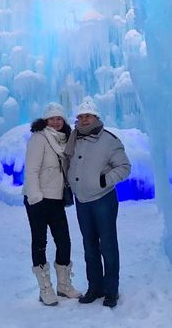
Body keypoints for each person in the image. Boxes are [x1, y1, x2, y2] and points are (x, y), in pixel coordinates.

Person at [65, 97, 131, 308]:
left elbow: (124, 167)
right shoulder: (74, 138)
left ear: (96, 117)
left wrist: (104, 180)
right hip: (82, 201)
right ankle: (95, 287)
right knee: (89, 245)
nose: (84, 120)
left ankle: (111, 291)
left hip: (103, 200)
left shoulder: (109, 140)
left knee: (108, 245)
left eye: (88, 116)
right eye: (81, 116)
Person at [23, 102, 82, 306]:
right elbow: (31, 170)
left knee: (63, 241)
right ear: (45, 120)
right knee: (40, 242)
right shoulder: (39, 138)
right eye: (52, 118)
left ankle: (64, 285)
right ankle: (45, 288)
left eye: (59, 119)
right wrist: (35, 197)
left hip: (56, 199)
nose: (56, 122)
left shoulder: (65, 140)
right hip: (38, 199)